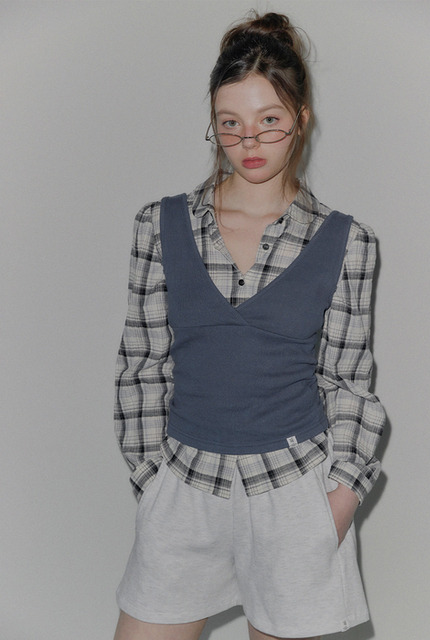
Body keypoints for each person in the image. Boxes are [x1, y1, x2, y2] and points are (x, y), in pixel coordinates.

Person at [113, 11, 386, 640]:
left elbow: (348, 382)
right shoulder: (160, 225)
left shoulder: (348, 242)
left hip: (294, 495)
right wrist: (153, 481)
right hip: (184, 490)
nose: (249, 141)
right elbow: (142, 364)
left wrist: (337, 501)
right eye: (230, 123)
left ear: (301, 119)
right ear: (213, 125)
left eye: (269, 120)